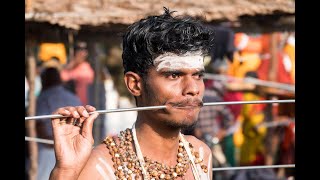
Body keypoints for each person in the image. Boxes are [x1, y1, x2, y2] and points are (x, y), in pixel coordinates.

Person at [49, 7, 214, 180]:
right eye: (174, 75)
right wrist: (66, 172)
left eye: (198, 75)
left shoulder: (199, 155)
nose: (193, 89)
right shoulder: (101, 167)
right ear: (135, 84)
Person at [35, 67, 82, 180]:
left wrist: (56, 144)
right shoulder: (73, 97)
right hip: (73, 148)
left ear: (45, 80)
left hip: (48, 151)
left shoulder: (44, 97)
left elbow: (40, 126)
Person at [60, 41, 95, 105]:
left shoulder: (86, 68)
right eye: (78, 49)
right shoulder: (71, 67)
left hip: (83, 106)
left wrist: (71, 65)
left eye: (84, 49)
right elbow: (61, 78)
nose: (81, 52)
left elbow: (63, 78)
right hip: (69, 105)